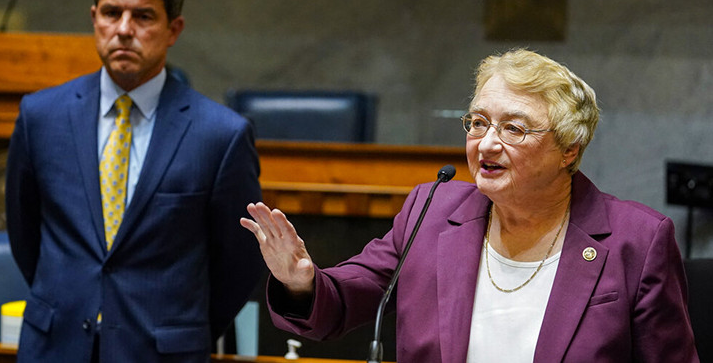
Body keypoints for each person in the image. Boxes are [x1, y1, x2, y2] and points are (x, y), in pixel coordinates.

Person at [240, 49, 699, 362]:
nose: (487, 144)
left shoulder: (634, 241)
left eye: (515, 129)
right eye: (478, 123)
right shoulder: (434, 209)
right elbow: (342, 303)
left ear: (569, 150)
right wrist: (300, 281)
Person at [6, 0, 264, 362]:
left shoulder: (221, 135)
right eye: (111, 13)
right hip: (56, 345)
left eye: (143, 16)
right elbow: (25, 234)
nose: (124, 29)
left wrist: (180, 329)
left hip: (162, 351)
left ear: (173, 28)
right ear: (94, 18)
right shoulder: (40, 116)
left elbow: (239, 263)